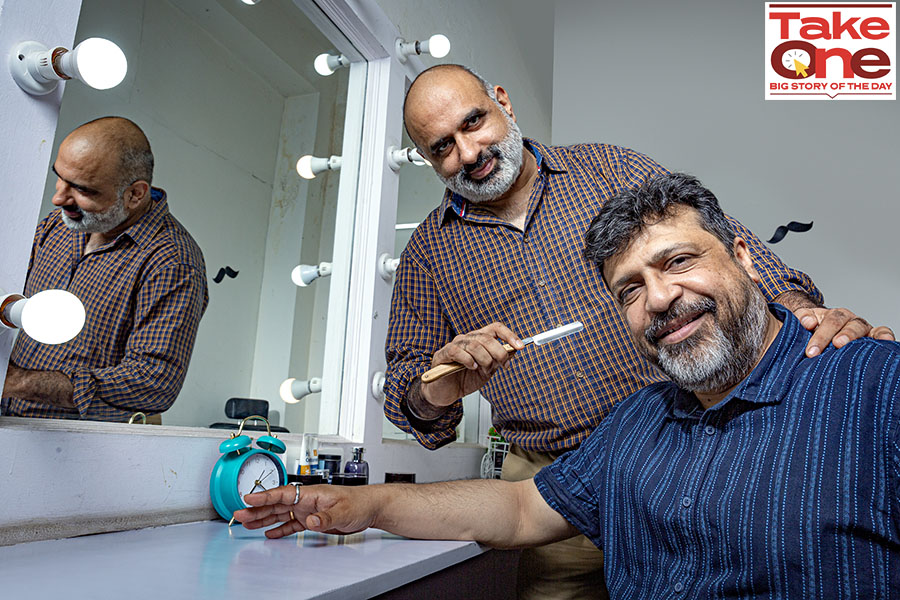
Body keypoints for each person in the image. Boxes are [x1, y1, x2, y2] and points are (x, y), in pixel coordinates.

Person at [236, 172, 900, 598]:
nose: (661, 298)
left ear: (747, 257)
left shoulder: (875, 385)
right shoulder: (638, 424)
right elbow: (521, 508)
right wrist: (368, 506)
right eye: (630, 289)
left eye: (679, 261)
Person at [381, 64, 892, 598]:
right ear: (425, 158)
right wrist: (434, 388)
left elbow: (720, 248)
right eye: (442, 147)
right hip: (549, 484)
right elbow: (408, 395)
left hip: (676, 452)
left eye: (474, 123)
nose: (467, 153)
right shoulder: (427, 254)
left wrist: (801, 316)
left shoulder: (608, 167)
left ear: (503, 102)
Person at [1, 117, 208, 422]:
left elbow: (153, 384)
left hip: (80, 451)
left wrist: (16, 382)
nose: (58, 197)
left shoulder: (173, 261)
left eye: (83, 189)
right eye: (59, 177)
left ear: (135, 194)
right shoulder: (58, 224)